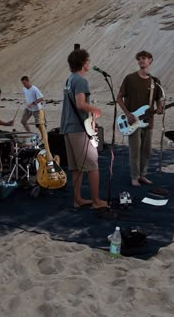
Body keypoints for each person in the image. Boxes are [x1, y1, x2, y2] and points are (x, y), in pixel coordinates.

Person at [60, 49, 107, 209]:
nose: (89, 62)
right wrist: (95, 110)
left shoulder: (70, 79)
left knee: (76, 168)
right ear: (82, 63)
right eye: (87, 60)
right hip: (78, 128)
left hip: (68, 127)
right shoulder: (80, 81)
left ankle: (78, 199)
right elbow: (80, 104)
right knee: (93, 165)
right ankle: (96, 201)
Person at [117, 50, 163, 186]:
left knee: (146, 151)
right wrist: (127, 114)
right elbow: (119, 98)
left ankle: (143, 175)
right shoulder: (130, 78)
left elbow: (158, 99)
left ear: (150, 60)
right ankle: (134, 177)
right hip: (133, 121)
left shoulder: (155, 81)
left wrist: (159, 107)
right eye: (140, 59)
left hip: (148, 121)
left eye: (144, 58)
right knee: (135, 151)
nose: (141, 61)